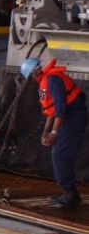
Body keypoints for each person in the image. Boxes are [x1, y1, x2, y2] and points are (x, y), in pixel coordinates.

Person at [20, 58, 87, 208]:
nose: (31, 80)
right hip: (66, 118)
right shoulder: (46, 81)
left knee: (60, 154)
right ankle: (68, 191)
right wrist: (45, 132)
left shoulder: (52, 80)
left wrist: (54, 132)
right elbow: (51, 110)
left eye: (30, 77)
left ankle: (71, 193)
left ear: (33, 73)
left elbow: (60, 108)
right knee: (58, 153)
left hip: (73, 117)